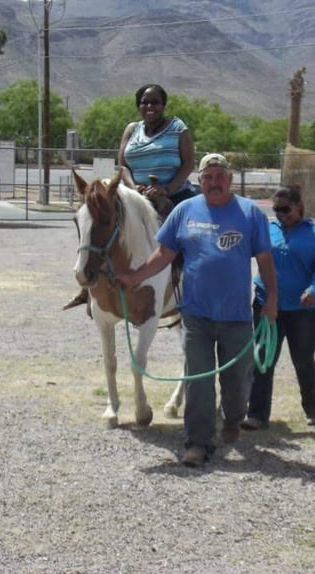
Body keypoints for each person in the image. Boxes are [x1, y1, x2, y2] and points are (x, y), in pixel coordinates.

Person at [116, 153, 277, 467]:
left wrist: (272, 300)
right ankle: (197, 443)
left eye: (219, 176)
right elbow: (163, 253)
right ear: (199, 181)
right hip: (196, 314)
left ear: (229, 179)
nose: (214, 182)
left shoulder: (249, 213)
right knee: (198, 381)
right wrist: (134, 278)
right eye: (207, 177)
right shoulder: (184, 211)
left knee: (235, 382)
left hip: (236, 316)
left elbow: (266, 261)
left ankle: (232, 418)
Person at [63, 83, 196, 310]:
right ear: (138, 106)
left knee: (186, 237)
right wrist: (134, 188)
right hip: (135, 192)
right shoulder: (132, 129)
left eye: (155, 102)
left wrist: (166, 189)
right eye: (144, 102)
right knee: (98, 222)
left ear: (163, 105)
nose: (149, 106)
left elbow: (188, 165)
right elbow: (122, 166)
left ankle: (187, 288)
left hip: (173, 193)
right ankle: (89, 286)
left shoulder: (178, 128)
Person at [241, 185, 315, 431]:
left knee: (302, 360)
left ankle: (312, 409)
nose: (281, 214)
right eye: (276, 209)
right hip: (267, 305)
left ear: (299, 205)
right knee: (263, 359)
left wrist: (314, 290)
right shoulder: (267, 230)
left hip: (305, 311)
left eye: (285, 209)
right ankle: (257, 414)